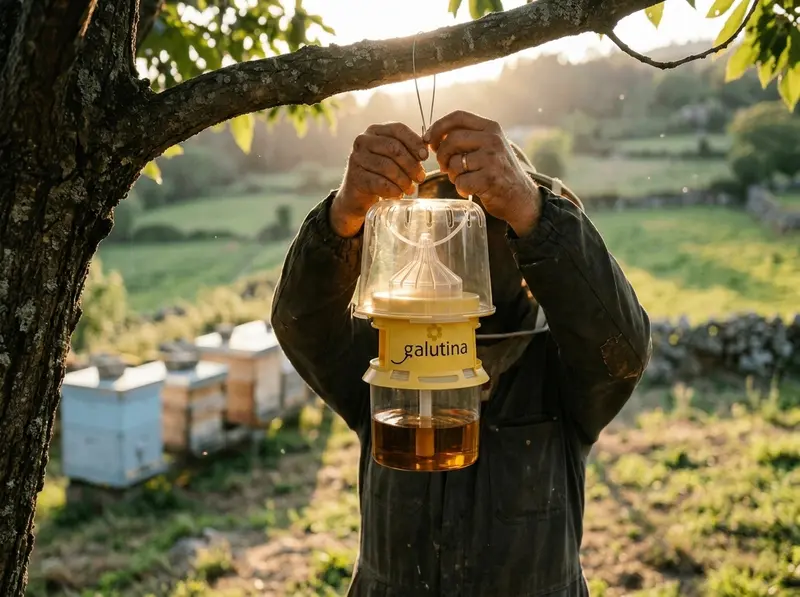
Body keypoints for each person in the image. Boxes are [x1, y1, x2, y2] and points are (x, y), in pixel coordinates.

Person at [271, 110, 652, 597]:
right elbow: (300, 321)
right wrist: (344, 214)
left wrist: (531, 207)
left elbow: (622, 349)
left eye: (495, 223)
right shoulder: (387, 357)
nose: (463, 260)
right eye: (451, 232)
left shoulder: (562, 368)